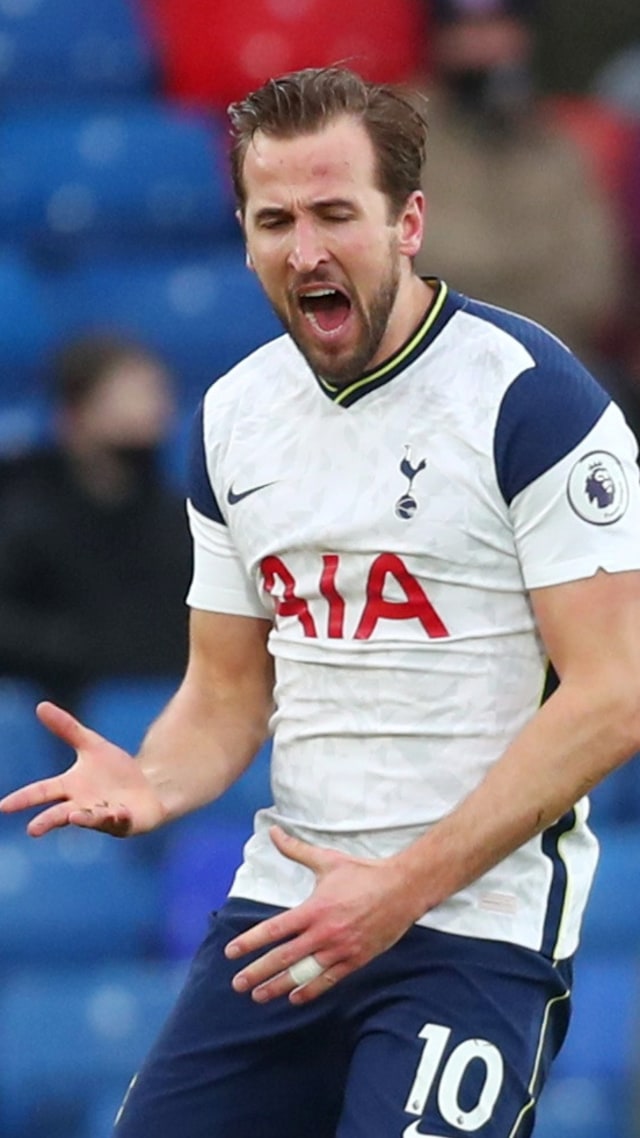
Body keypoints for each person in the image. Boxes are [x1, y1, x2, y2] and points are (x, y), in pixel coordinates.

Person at [2, 64, 640, 1138]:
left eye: (335, 213)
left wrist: (398, 886)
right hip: (285, 912)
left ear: (408, 222)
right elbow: (224, 693)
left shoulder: (531, 401)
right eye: (274, 220)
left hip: (471, 928)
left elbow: (613, 694)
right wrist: (154, 778)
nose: (305, 251)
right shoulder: (231, 420)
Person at [414, 0, 626, 370]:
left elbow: (595, 288)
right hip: (428, 358)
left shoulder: (559, 147)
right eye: (464, 28)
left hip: (547, 359)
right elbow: (412, 269)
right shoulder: (401, 133)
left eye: (499, 26)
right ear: (438, 38)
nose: (482, 45)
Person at [0, 333, 190, 710]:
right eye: (126, 398)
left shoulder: (179, 520)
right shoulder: (24, 513)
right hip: (57, 706)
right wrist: (78, 646)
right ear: (74, 414)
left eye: (154, 396)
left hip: (164, 707)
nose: (149, 413)